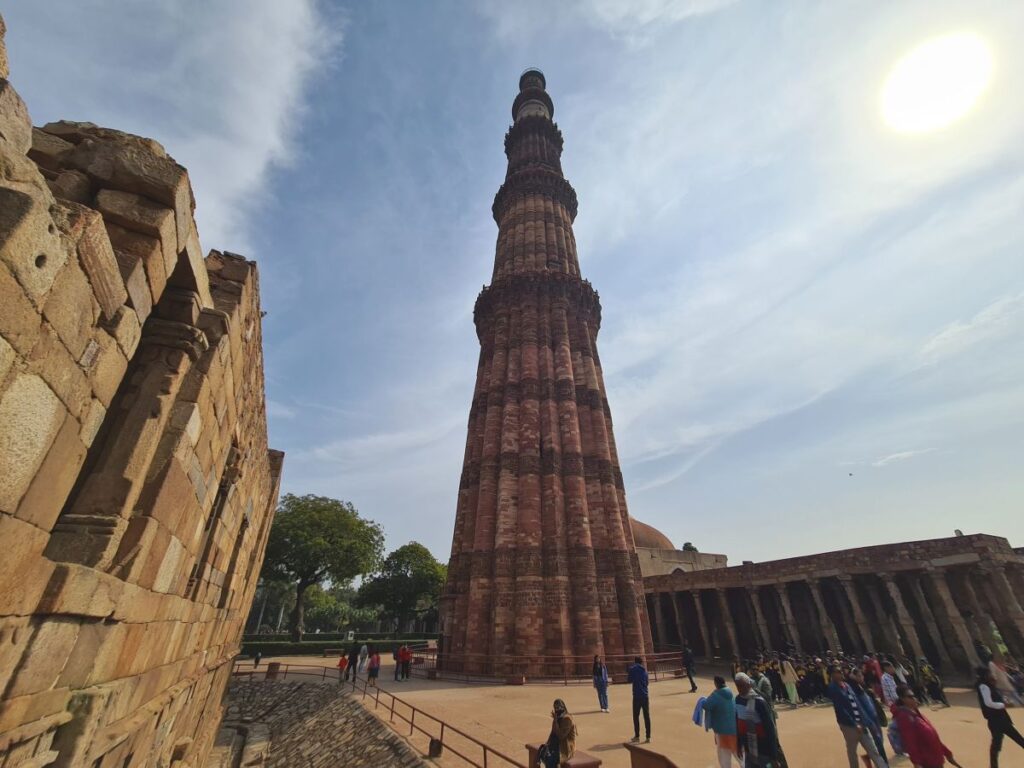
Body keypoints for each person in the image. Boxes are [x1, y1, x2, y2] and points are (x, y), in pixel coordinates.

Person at [825, 666, 887, 768]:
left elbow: (857, 704)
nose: (841, 673)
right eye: (838, 672)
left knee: (872, 750)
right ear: (832, 675)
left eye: (841, 671)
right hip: (849, 726)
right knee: (852, 751)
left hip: (861, 723)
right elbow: (841, 709)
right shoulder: (833, 688)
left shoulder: (847, 686)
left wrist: (866, 721)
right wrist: (854, 724)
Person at [891, 684, 962, 768]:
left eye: (914, 696)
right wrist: (916, 763)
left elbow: (933, 737)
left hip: (936, 759)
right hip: (927, 762)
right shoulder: (904, 717)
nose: (914, 699)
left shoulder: (917, 713)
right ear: (903, 699)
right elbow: (910, 742)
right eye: (910, 697)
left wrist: (947, 753)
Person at [978, 666, 1024, 768]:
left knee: (1018, 739)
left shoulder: (990, 685)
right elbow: (988, 703)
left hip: (1002, 719)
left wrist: (1004, 700)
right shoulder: (983, 686)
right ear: (984, 675)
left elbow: (997, 697)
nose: (991, 674)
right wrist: (1003, 705)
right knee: (996, 746)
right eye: (989, 673)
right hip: (996, 721)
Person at [734, 673, 781, 768]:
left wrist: (774, 757)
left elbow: (770, 729)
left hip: (763, 749)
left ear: (749, 685)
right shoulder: (738, 700)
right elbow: (738, 723)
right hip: (748, 749)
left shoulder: (759, 702)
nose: (739, 689)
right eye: (738, 686)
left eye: (742, 686)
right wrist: (738, 745)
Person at [847, 666, 888, 767]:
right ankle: (884, 764)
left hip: (873, 718)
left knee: (878, 742)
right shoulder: (854, 690)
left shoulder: (862, 687)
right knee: (877, 743)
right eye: (859, 676)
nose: (862, 678)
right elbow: (861, 708)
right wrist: (869, 722)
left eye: (862, 675)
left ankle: (870, 759)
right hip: (868, 720)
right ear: (854, 677)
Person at [702, 675, 739, 768]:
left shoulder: (716, 695)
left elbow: (706, 705)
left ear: (716, 683)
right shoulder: (731, 694)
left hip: (722, 730)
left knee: (724, 755)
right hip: (734, 729)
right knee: (737, 753)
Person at [539, 699, 577, 768]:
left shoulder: (567, 719)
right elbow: (553, 733)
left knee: (552, 758)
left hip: (566, 747)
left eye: (559, 707)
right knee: (542, 753)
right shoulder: (559, 717)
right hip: (557, 744)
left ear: (563, 707)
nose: (557, 709)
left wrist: (555, 720)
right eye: (555, 708)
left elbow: (561, 736)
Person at [627, 656, 651, 744]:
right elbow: (647, 683)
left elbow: (629, 680)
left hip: (637, 695)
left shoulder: (632, 669)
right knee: (646, 716)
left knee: (636, 716)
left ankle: (637, 736)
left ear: (635, 662)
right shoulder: (645, 671)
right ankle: (648, 737)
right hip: (645, 695)